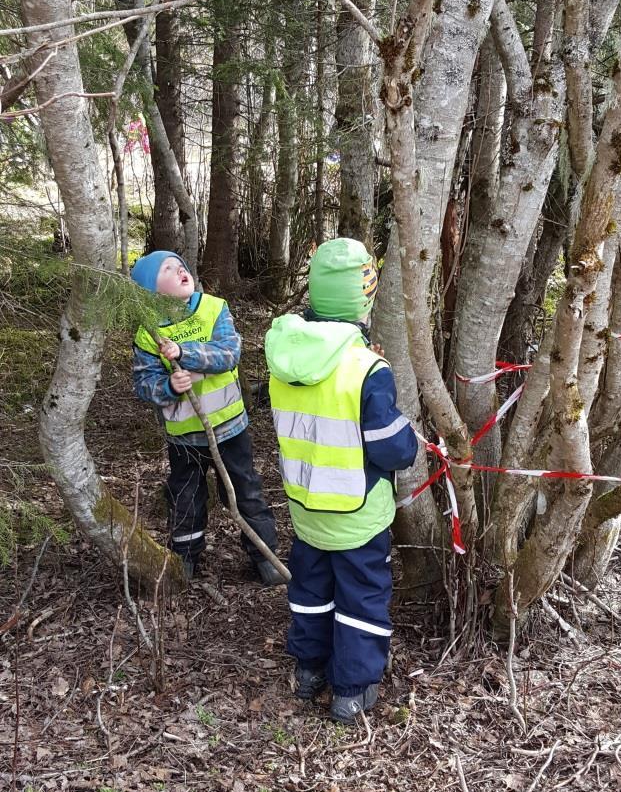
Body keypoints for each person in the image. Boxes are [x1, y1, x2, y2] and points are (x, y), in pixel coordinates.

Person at [264, 237, 418, 724]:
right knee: (362, 596)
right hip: (358, 512)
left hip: (306, 506)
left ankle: (309, 671)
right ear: (364, 299)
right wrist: (413, 441)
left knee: (310, 590)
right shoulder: (365, 368)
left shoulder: (283, 357)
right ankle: (352, 689)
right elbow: (392, 446)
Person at [130, 250, 282, 585]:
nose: (180, 269)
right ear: (152, 291)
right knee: (186, 497)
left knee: (246, 490)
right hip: (184, 437)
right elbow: (143, 385)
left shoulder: (213, 308)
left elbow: (229, 353)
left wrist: (186, 354)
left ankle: (265, 556)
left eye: (179, 264)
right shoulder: (148, 333)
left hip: (230, 428)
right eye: (167, 269)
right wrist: (168, 385)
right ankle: (184, 560)